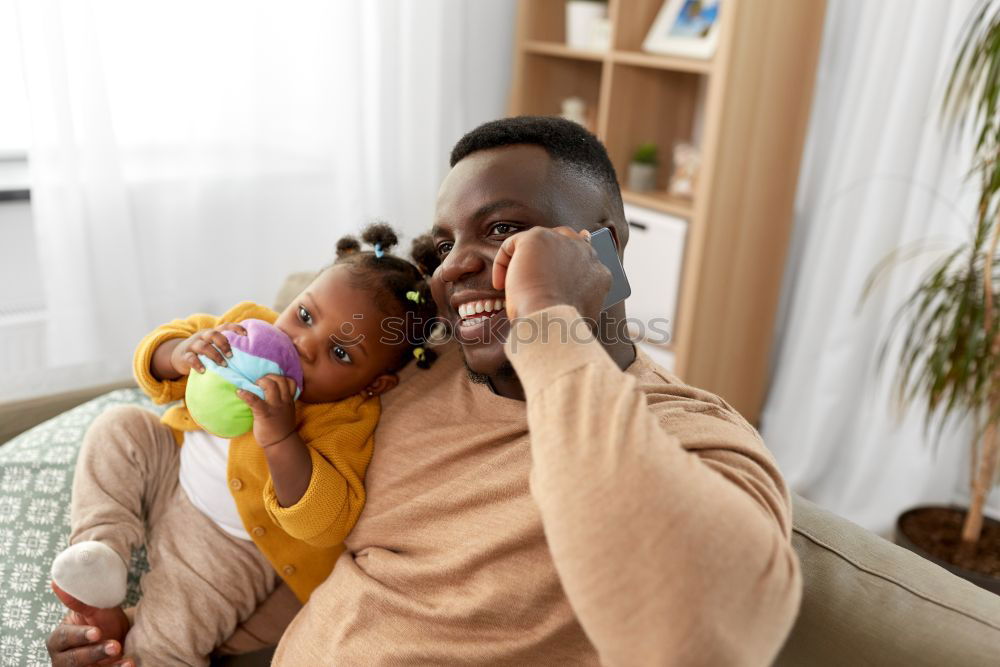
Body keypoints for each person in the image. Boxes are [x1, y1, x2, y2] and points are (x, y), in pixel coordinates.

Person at [49, 116, 801, 665]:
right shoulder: (405, 371)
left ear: (605, 242)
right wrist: (130, 636)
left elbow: (696, 638)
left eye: (502, 229)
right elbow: (267, 524)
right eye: (443, 245)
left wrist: (545, 320)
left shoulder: (693, 434)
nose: (452, 267)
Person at [46, 225, 438, 666]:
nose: (303, 345)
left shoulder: (347, 419)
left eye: (341, 354)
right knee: (120, 426)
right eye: (305, 316)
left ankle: (138, 648)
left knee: (168, 631)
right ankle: (101, 556)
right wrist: (179, 353)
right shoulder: (251, 326)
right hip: (171, 466)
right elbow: (156, 360)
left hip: (229, 545)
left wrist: (282, 437)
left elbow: (322, 521)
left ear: (374, 384)